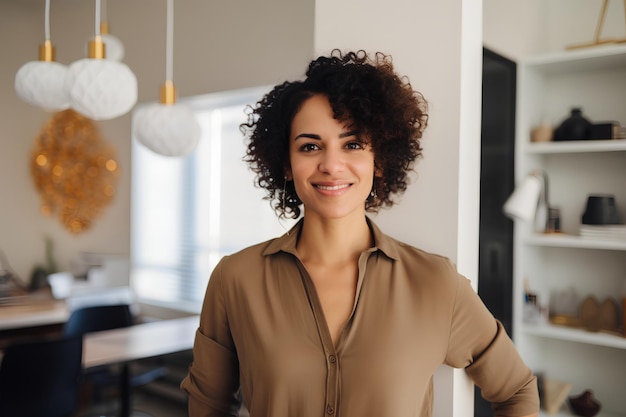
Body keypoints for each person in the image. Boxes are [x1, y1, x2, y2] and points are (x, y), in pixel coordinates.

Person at [181, 49, 539, 417]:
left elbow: (516, 391)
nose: (331, 165)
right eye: (310, 146)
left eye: (352, 144)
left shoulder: (436, 283)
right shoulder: (236, 279)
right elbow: (207, 404)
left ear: (379, 159)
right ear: (287, 164)